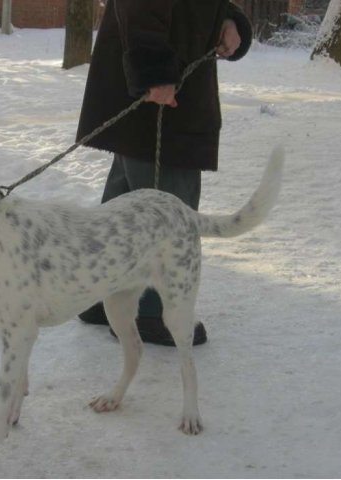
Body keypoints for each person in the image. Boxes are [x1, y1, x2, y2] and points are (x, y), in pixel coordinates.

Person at [76, 0, 253, 346]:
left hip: (158, 94)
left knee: (125, 200)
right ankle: (149, 313)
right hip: (161, 100)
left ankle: (100, 296)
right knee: (168, 205)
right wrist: (153, 72)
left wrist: (228, 19)